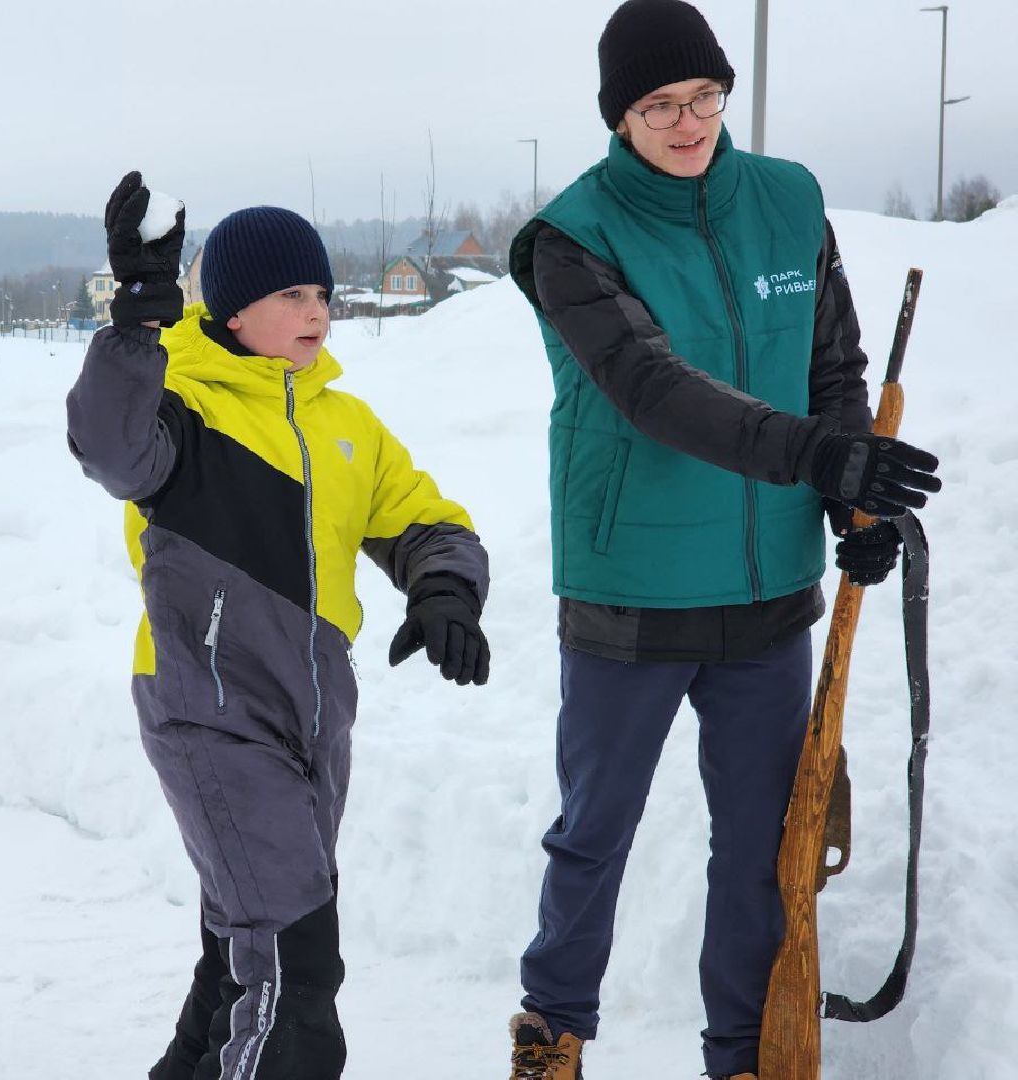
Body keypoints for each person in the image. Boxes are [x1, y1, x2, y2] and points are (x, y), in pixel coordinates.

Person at [503, 3, 942, 1078]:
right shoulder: (572, 236)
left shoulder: (788, 202)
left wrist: (851, 501)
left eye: (705, 97)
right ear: (621, 115)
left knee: (760, 851)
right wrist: (818, 460)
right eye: (659, 106)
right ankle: (552, 1038)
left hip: (768, 596)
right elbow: (650, 386)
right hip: (630, 590)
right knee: (594, 835)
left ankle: (744, 1058)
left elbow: (830, 370)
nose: (688, 121)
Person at [66, 171, 491, 1079]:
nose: (315, 313)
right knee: (296, 973)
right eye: (289, 295)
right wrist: (136, 329)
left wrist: (445, 588)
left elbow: (427, 520)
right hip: (208, 709)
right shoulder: (182, 405)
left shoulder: (347, 424)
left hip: (310, 725)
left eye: (322, 294)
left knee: (236, 959)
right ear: (229, 306)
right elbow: (107, 447)